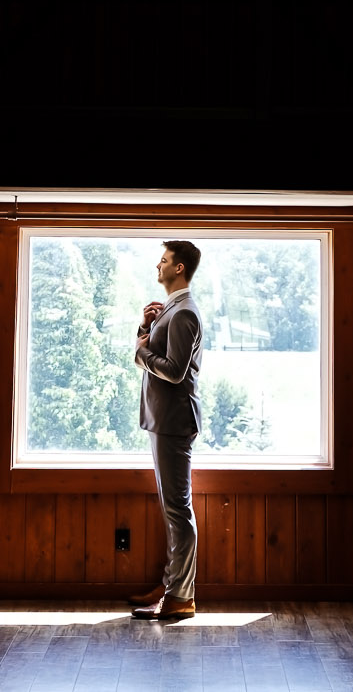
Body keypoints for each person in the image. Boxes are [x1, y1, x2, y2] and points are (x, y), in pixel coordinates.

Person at [129, 239, 203, 619]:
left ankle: (180, 598)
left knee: (177, 509)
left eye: (163, 261)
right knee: (173, 508)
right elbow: (156, 349)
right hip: (164, 421)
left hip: (174, 423)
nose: (157, 266)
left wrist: (141, 354)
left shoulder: (185, 313)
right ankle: (173, 585)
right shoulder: (170, 311)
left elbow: (174, 371)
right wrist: (145, 326)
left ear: (179, 269)